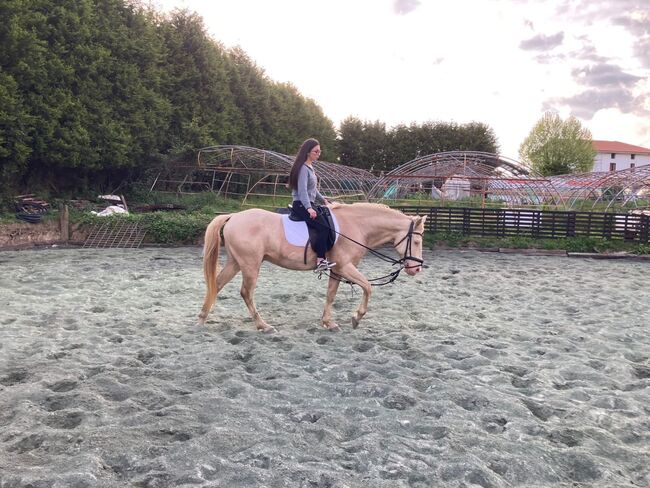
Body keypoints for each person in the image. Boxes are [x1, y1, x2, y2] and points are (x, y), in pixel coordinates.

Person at [288, 138, 336, 272]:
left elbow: (313, 189)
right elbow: (302, 190)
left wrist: (324, 200)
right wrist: (309, 208)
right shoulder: (303, 169)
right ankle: (321, 261)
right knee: (324, 227)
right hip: (301, 205)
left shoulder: (310, 168)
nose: (318, 154)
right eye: (316, 151)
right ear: (308, 152)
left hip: (309, 203)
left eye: (320, 151)